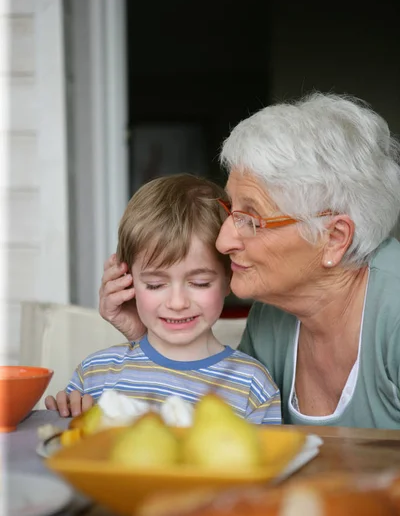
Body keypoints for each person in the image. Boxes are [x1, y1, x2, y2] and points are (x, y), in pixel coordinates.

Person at [99, 93, 400, 429]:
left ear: (333, 238)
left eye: (252, 219)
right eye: (232, 210)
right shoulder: (272, 316)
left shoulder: (394, 313)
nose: (223, 240)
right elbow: (220, 423)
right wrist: (152, 340)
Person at [45, 174, 281, 424]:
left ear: (228, 278)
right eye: (155, 284)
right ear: (128, 280)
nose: (177, 303)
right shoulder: (94, 376)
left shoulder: (253, 388)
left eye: (200, 283)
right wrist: (65, 418)